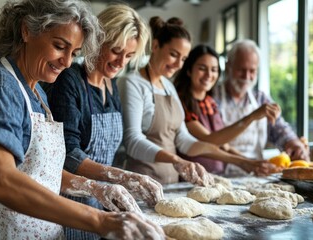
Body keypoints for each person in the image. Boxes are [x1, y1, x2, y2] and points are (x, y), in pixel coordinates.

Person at [0, 1, 165, 239]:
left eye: (75, 53)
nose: (67, 62)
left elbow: (42, 173)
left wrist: (96, 188)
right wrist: (100, 220)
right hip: (3, 231)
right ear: (27, 30)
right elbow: (0, 179)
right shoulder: (0, 85)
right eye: (60, 46)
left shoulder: (36, 92)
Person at [46, 4, 163, 239]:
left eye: (129, 55)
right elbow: (67, 154)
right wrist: (120, 177)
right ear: (99, 40)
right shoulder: (70, 80)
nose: (121, 61)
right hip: (70, 204)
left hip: (103, 203)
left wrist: (122, 183)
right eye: (116, 50)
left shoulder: (111, 85)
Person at [117, 17, 276, 186]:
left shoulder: (168, 87)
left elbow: (184, 141)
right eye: (173, 55)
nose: (178, 64)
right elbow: (132, 140)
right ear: (155, 46)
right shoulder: (132, 83)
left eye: (183, 59)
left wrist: (243, 162)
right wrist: (175, 159)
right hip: (142, 183)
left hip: (172, 183)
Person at [174, 44, 281, 174]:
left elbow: (224, 145)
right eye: (202, 68)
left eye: (214, 69)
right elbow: (210, 140)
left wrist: (253, 163)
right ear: (189, 70)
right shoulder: (181, 101)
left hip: (217, 175)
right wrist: (251, 117)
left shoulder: (210, 101)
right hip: (192, 175)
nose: (209, 75)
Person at [212, 39, 310, 165]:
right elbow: (213, 141)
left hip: (256, 174)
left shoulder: (261, 99)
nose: (247, 76)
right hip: (220, 174)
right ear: (228, 66)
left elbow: (279, 129)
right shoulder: (213, 97)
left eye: (252, 71)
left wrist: (293, 143)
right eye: (241, 70)